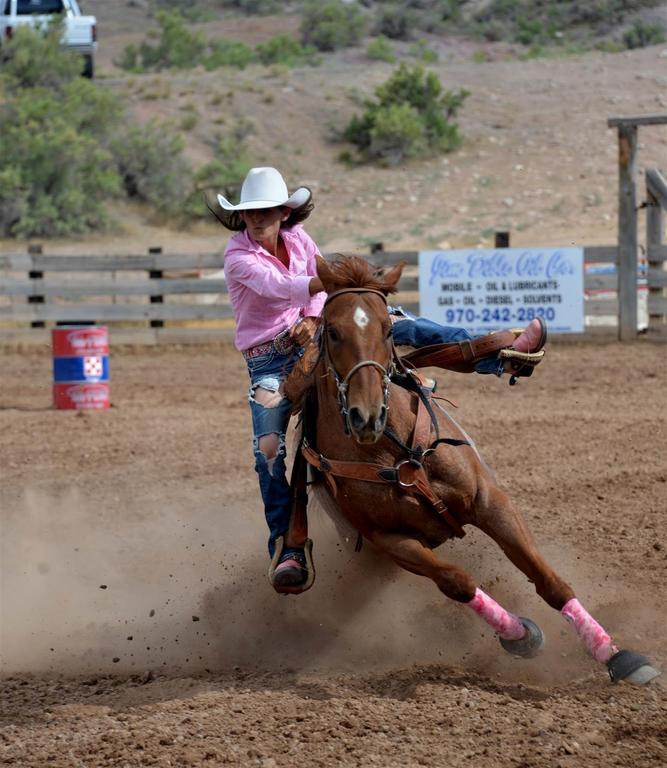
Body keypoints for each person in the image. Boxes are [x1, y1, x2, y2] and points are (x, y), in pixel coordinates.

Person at [215, 166, 546, 592]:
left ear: (283, 211)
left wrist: (317, 316)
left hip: (317, 333)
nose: (257, 219)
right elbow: (280, 287)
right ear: (241, 216)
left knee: (398, 323)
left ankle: (500, 355)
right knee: (268, 448)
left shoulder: (299, 240)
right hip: (269, 363)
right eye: (250, 212)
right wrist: (336, 284)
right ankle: (288, 544)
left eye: (266, 210)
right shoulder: (238, 255)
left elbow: (318, 298)